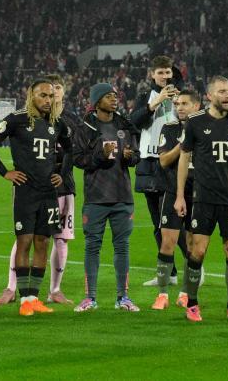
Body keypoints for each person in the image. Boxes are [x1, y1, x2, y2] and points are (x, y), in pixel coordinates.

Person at [175, 76, 228, 322]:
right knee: (198, 251)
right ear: (210, 96)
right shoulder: (195, 122)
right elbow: (184, 158)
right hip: (203, 198)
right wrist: (180, 195)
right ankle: (192, 303)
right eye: (222, 91)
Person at [0, 77, 72, 316]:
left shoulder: (58, 124)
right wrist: (5, 172)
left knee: (42, 243)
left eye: (51, 96)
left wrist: (61, 174)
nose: (48, 100)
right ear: (31, 95)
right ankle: (24, 299)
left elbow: (70, 150)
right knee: (24, 242)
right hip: (26, 191)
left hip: (49, 193)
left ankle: (34, 297)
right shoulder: (16, 120)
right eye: (43, 95)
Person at [72, 82, 141, 313]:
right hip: (96, 197)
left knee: (122, 247)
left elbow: (135, 155)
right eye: (109, 96)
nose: (114, 99)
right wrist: (99, 156)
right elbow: (78, 159)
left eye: (115, 95)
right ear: (97, 101)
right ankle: (90, 298)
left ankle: (123, 297)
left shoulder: (124, 124)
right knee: (92, 247)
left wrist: (131, 157)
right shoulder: (86, 127)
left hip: (122, 196)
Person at [132, 55, 181, 288]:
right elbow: (134, 122)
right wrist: (156, 102)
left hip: (173, 162)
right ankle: (169, 272)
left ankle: (195, 265)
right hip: (149, 162)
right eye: (160, 72)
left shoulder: (181, 96)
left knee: (176, 219)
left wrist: (172, 97)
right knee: (157, 222)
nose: (164, 76)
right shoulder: (145, 97)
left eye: (168, 72)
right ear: (152, 74)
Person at [151, 87, 199, 310]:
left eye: (184, 104)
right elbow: (163, 161)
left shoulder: (205, 128)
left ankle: (185, 293)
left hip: (198, 193)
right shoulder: (169, 129)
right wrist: (184, 143)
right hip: (172, 191)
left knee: (192, 245)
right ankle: (162, 295)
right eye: (177, 104)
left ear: (196, 106)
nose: (179, 108)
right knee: (167, 243)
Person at [46, 74, 78, 304]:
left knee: (62, 238)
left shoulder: (72, 119)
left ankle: (55, 290)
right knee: (28, 236)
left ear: (63, 91)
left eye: (58, 87)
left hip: (65, 186)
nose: (54, 91)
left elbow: (75, 152)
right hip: (37, 187)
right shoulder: (34, 117)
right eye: (50, 88)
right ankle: (12, 287)